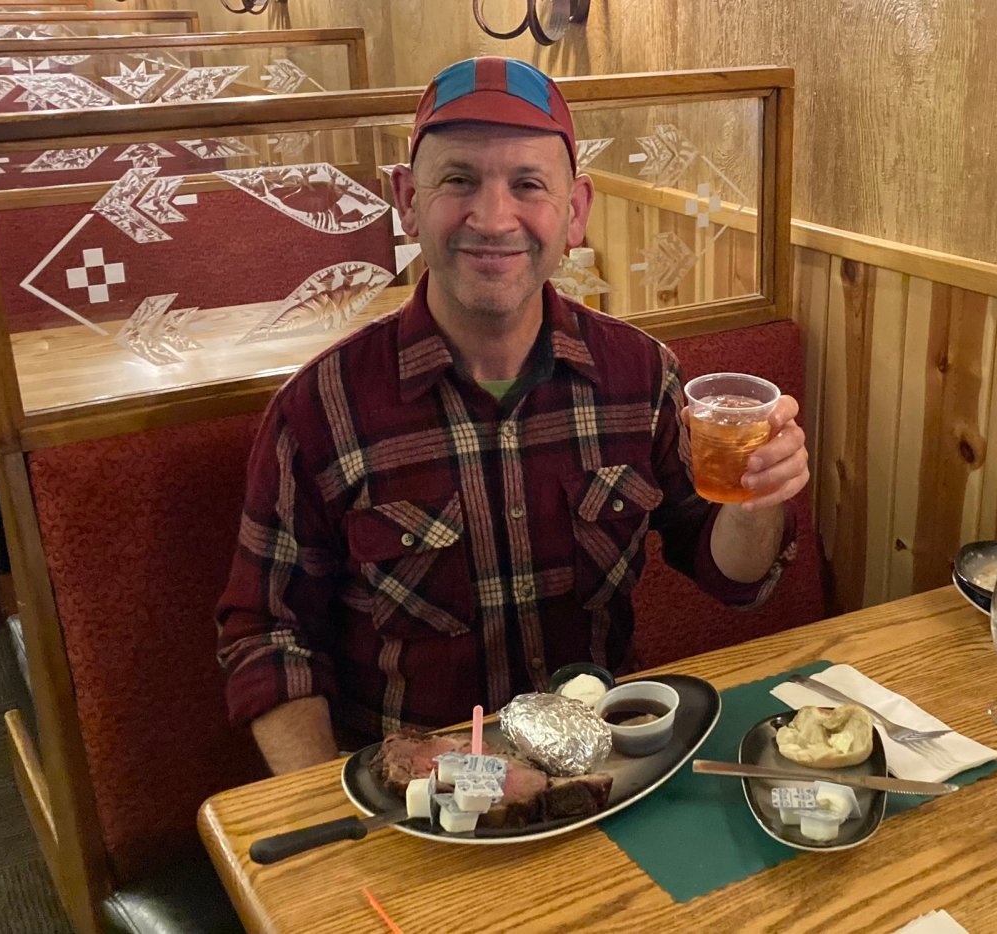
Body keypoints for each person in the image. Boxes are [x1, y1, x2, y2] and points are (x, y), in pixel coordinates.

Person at [216, 56, 810, 774]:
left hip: (605, 768)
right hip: (423, 801)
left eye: (528, 184)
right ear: (407, 199)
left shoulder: (641, 375)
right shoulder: (319, 409)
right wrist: (334, 817)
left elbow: (733, 579)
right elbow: (269, 635)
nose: (494, 218)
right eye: (459, 179)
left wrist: (756, 499)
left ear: (576, 211)